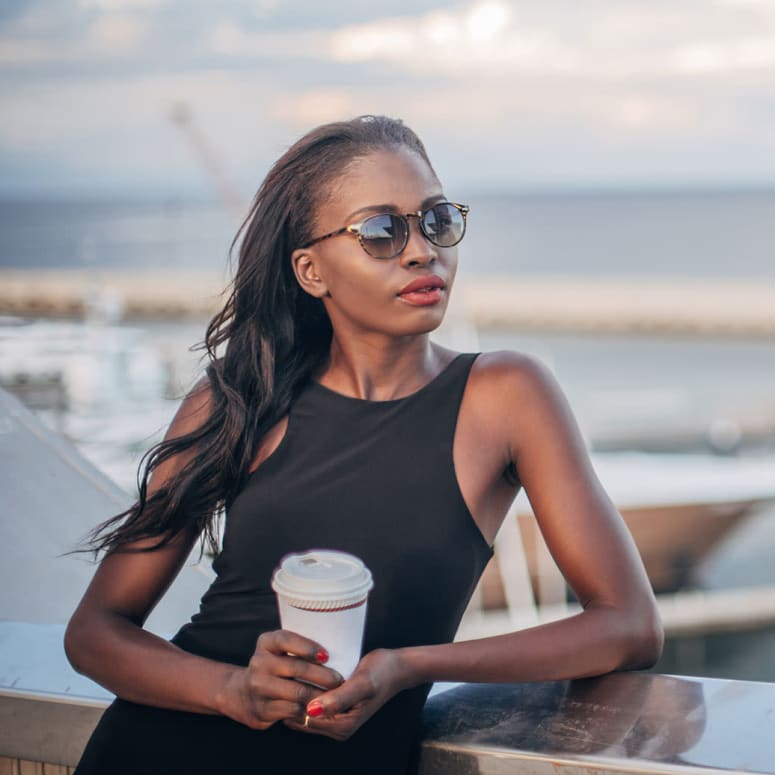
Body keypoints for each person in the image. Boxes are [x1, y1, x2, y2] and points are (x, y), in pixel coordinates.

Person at [65, 115, 663, 774]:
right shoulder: (237, 399)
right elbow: (96, 632)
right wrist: (233, 690)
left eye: (434, 220)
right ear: (311, 270)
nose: (419, 251)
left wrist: (408, 666)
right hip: (157, 752)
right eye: (380, 231)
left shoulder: (506, 392)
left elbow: (628, 625)